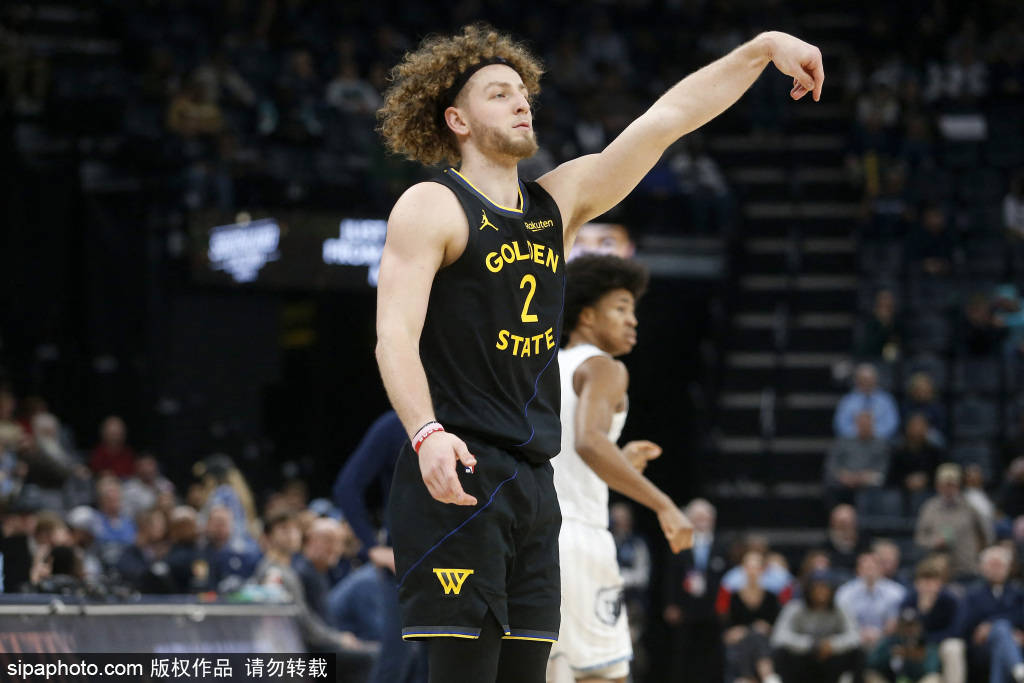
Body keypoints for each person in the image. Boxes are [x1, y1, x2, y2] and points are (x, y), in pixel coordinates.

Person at [375, 21, 822, 683]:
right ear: (457, 120)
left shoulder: (557, 203)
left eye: (523, 92)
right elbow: (394, 336)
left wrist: (761, 49)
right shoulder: (432, 205)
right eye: (498, 94)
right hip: (462, 463)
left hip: (535, 479)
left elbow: (665, 121)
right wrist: (425, 432)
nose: (521, 102)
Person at [545, 255, 690, 683]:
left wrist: (621, 463)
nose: (633, 320)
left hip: (533, 536)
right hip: (578, 537)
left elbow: (565, 456)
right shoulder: (604, 367)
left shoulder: (545, 366)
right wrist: (663, 504)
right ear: (587, 315)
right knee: (604, 676)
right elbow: (589, 441)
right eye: (621, 308)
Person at [332, 409, 427, 683]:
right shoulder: (395, 424)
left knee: (438, 664)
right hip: (403, 563)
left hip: (454, 559)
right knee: (396, 662)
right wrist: (373, 546)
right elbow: (347, 486)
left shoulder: (464, 417)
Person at [664, 499, 730, 683]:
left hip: (714, 610)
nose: (702, 522)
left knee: (712, 654)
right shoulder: (680, 543)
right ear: (689, 520)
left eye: (705, 518)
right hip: (686, 609)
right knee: (685, 655)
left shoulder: (723, 545)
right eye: (697, 518)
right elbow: (671, 575)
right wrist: (671, 604)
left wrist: (725, 607)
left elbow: (728, 580)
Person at [771, 571, 863, 683]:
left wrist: (832, 644)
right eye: (817, 588)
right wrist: (810, 644)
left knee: (858, 653)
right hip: (802, 661)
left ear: (832, 590)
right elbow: (779, 636)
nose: (821, 592)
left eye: (825, 588)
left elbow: (855, 636)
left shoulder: (840, 609)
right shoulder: (795, 608)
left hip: (831, 660)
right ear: (808, 590)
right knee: (780, 653)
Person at [958, 545, 1024, 683]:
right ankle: (1017, 667)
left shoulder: (1018, 593)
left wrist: (990, 625)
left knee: (1001, 638)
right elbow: (966, 623)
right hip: (982, 647)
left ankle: (1016, 670)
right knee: (1001, 630)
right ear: (983, 568)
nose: (996, 569)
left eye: (999, 565)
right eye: (992, 565)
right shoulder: (972, 594)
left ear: (1008, 568)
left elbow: (1020, 615)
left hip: (1014, 641)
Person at [914, 464, 991, 580]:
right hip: (939, 572)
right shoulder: (929, 508)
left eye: (952, 485)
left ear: (958, 486)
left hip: (967, 569)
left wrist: (978, 557)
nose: (948, 490)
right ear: (938, 486)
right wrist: (934, 542)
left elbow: (985, 535)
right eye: (944, 485)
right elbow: (919, 538)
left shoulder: (970, 507)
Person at [717, 549, 783, 683]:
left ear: (762, 570)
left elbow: (777, 625)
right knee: (749, 637)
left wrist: (767, 628)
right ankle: (767, 675)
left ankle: (746, 678)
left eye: (756, 567)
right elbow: (727, 627)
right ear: (743, 569)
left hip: (764, 640)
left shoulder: (771, 597)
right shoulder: (734, 597)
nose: (752, 571)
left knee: (756, 636)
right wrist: (735, 632)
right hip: (739, 641)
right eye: (749, 567)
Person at [835, 551, 907, 652]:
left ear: (881, 569)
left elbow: (895, 622)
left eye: (873, 568)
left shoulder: (897, 592)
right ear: (858, 570)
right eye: (865, 568)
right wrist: (860, 634)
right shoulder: (845, 592)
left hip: (885, 639)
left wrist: (880, 634)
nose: (869, 572)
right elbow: (844, 623)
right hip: (854, 639)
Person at [824, 411, 891, 508]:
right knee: (831, 486)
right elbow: (831, 466)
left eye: (867, 424)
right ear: (856, 424)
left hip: (869, 485)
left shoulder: (881, 445)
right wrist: (844, 476)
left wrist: (864, 478)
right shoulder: (843, 442)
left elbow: (883, 471)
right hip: (844, 483)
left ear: (873, 424)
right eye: (861, 423)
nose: (864, 427)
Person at [834, 363, 900, 441]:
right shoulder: (847, 401)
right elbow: (840, 424)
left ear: (875, 380)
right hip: (853, 442)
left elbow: (892, 423)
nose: (867, 382)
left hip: (880, 441)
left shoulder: (886, 400)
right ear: (857, 381)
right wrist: (858, 434)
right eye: (863, 379)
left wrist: (873, 433)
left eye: (870, 379)